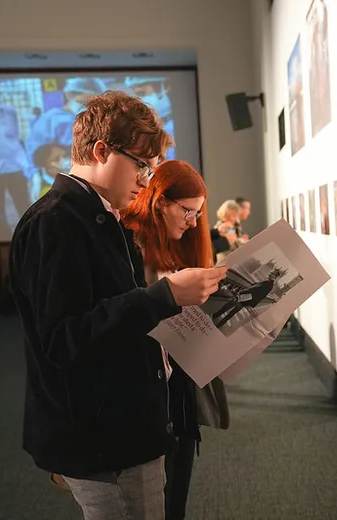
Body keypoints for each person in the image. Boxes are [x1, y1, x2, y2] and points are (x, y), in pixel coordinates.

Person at [8, 90, 228, 520]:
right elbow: (64, 340)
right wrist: (164, 296)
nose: (147, 179)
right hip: (103, 437)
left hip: (124, 424)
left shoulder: (99, 217)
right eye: (141, 165)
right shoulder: (55, 223)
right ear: (101, 150)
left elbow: (116, 313)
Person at [121, 160, 230, 520]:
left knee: (176, 496)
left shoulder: (185, 246)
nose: (194, 221)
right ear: (160, 201)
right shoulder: (128, 245)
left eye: (199, 213)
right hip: (143, 391)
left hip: (181, 390)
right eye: (187, 210)